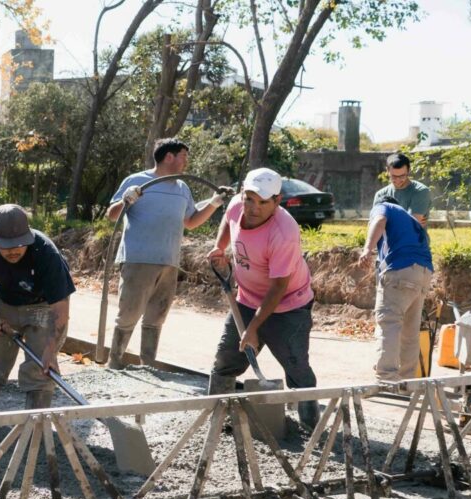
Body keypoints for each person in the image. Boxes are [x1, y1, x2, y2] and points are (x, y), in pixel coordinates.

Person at [207, 168, 319, 428]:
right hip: (247, 300)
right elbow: (229, 219)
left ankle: (311, 427)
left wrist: (253, 329)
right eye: (249, 199)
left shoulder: (284, 233)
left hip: (289, 306)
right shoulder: (238, 204)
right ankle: (216, 417)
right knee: (225, 360)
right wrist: (219, 246)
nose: (253, 208)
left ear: (277, 201)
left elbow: (279, 287)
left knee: (297, 368)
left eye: (263, 202)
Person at [105, 138, 230, 368]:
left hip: (168, 262)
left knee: (156, 316)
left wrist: (213, 203)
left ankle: (148, 365)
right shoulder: (137, 181)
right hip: (138, 260)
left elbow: (191, 221)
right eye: (183, 155)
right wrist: (126, 200)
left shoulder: (182, 188)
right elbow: (112, 216)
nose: (186, 161)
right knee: (129, 313)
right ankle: (114, 362)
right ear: (169, 157)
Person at [0, 204, 76, 412]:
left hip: (44, 306)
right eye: (6, 245)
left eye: (20, 244)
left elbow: (60, 306)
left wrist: (51, 350)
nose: (14, 250)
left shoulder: (46, 252)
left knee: (40, 370)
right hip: (3, 302)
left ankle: (35, 422)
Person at [358, 195, 434, 382]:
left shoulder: (384, 207)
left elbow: (380, 219)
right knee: (410, 330)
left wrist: (367, 248)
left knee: (389, 323)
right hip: (423, 274)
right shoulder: (412, 221)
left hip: (400, 271)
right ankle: (407, 381)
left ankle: (387, 379)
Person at [372, 152, 431, 223]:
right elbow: (373, 224)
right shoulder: (380, 195)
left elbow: (411, 224)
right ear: (387, 171)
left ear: (409, 171)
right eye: (393, 176)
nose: (398, 180)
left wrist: (386, 221)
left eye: (402, 176)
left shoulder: (420, 191)